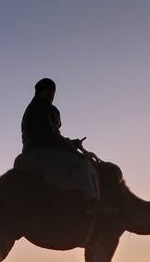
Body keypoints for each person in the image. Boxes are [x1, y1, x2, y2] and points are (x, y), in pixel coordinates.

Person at [19, 77, 100, 205]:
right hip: (41, 153)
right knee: (82, 163)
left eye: (53, 91)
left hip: (38, 150)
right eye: (50, 91)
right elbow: (49, 135)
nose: (52, 94)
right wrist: (72, 148)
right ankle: (91, 204)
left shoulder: (36, 108)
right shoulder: (40, 108)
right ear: (42, 91)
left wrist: (71, 142)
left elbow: (52, 135)